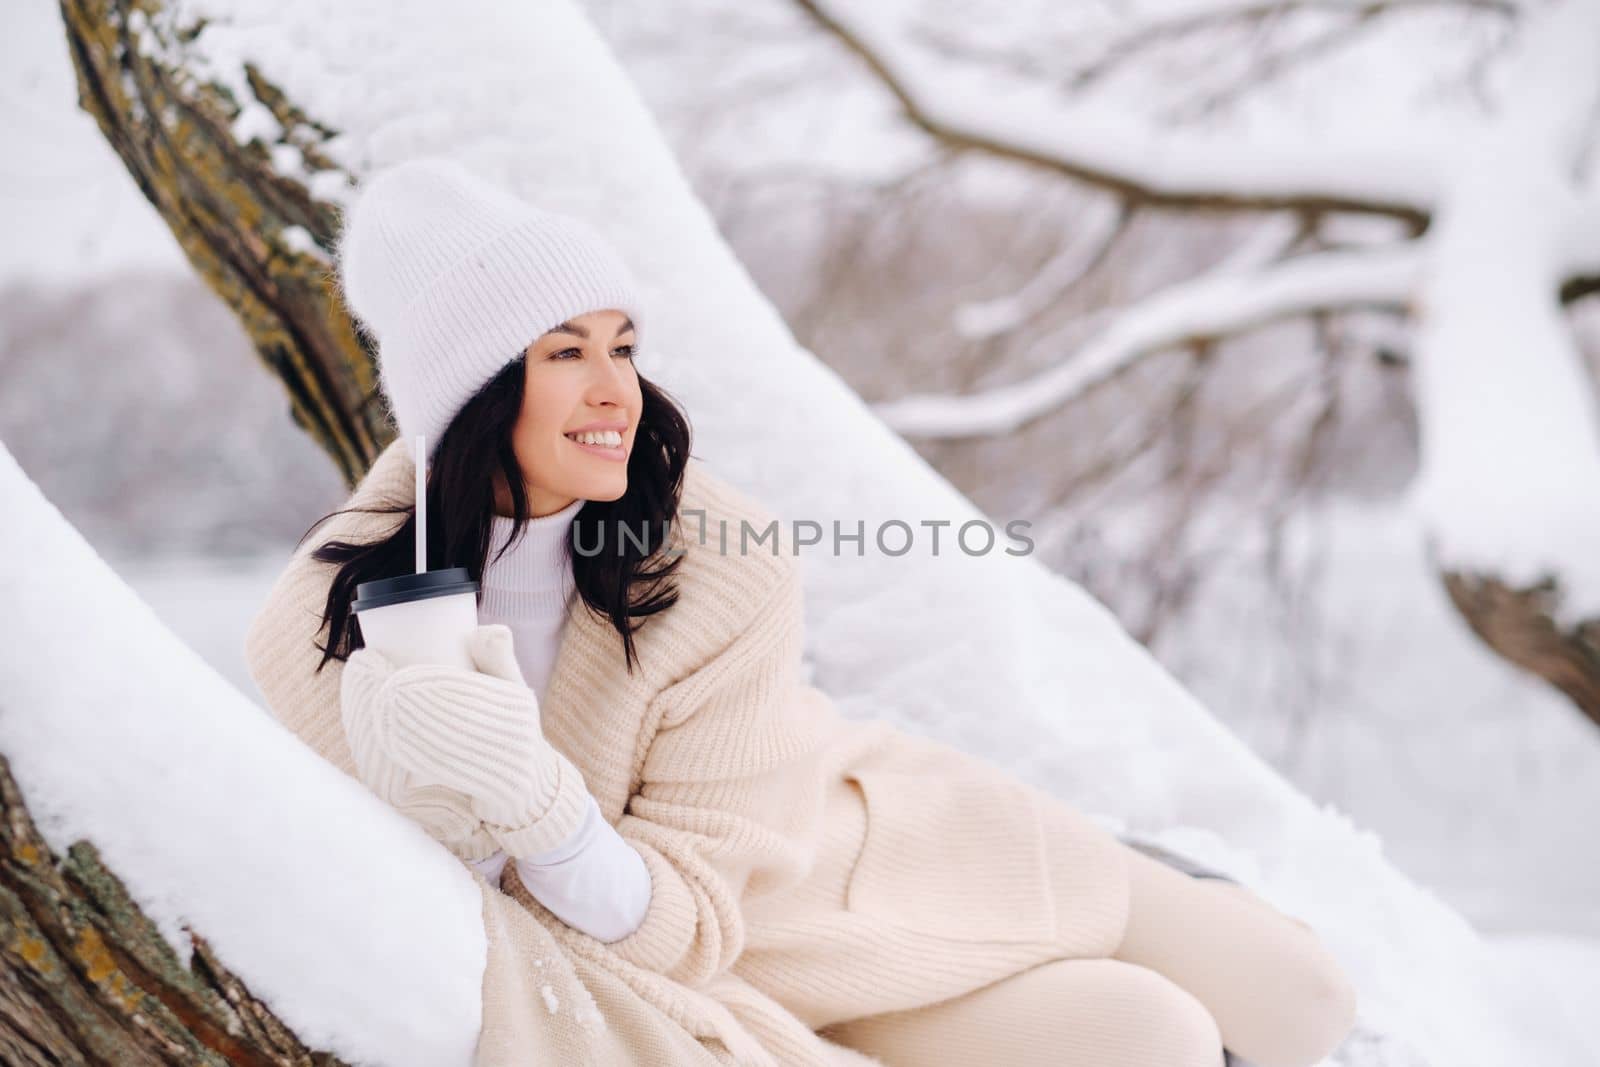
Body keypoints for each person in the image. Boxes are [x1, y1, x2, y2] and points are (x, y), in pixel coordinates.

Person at [244, 157, 1357, 1067]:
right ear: (473, 390)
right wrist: (494, 809)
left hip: (839, 840)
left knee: (1299, 1002)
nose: (615, 389)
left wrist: (544, 804)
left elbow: (668, 865)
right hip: (715, 956)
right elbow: (474, 918)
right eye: (565, 353)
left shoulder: (715, 560)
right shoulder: (326, 630)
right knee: (1151, 1040)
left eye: (623, 347)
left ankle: (1150, 866)